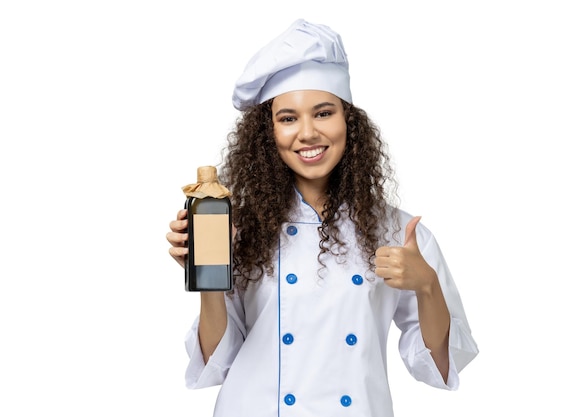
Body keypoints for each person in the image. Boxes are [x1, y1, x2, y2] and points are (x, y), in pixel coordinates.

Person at [166, 18, 478, 417]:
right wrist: (209, 272)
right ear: (268, 134)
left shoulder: (399, 232)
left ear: (349, 120)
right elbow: (217, 361)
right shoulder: (239, 228)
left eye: (324, 112)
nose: (308, 133)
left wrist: (427, 285)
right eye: (288, 118)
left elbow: (437, 366)